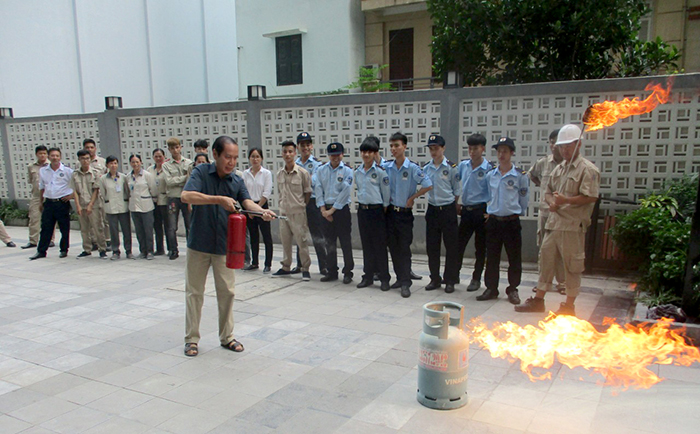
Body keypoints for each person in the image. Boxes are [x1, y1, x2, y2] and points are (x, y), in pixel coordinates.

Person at [181, 135, 275, 357]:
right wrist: (218, 199)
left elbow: (247, 202)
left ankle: (227, 337)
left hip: (224, 246)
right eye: (227, 157)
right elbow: (186, 196)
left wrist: (261, 211)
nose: (231, 162)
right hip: (199, 244)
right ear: (215, 154)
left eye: (235, 158)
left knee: (227, 292)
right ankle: (191, 339)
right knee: (195, 293)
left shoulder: (236, 180)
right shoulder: (201, 173)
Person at [516, 124, 600, 316]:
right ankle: (538, 300)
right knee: (546, 260)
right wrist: (551, 202)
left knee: (572, 265)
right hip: (553, 224)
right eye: (562, 146)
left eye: (568, 146)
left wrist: (566, 200)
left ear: (578, 145)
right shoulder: (559, 168)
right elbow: (547, 190)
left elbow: (591, 197)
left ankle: (569, 306)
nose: (564, 150)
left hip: (572, 226)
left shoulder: (588, 170)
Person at [478, 137, 529, 305]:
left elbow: (523, 199)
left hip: (511, 222)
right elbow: (487, 195)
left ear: (512, 153)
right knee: (491, 256)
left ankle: (513, 289)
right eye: (499, 151)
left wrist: (516, 213)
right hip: (494, 222)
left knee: (514, 257)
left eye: (505, 151)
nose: (501, 154)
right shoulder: (490, 175)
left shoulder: (520, 176)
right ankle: (491, 288)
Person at [383, 132, 432, 297]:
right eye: (391, 146)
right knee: (393, 248)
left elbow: (428, 184)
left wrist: (413, 198)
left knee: (404, 248)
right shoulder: (387, 168)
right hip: (390, 213)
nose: (393, 149)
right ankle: (399, 277)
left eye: (396, 145)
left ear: (404, 146)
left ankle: (406, 283)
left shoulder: (412, 168)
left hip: (404, 215)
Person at [528, 129, 566, 294]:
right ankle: (543, 282)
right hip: (545, 212)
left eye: (556, 143)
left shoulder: (569, 165)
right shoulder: (543, 163)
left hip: (563, 214)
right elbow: (532, 175)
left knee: (562, 249)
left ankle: (563, 283)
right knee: (544, 248)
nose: (553, 146)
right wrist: (542, 188)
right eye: (551, 142)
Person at [456, 134, 494, 292]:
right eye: (470, 148)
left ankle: (476, 278)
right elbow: (455, 183)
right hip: (466, 211)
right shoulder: (463, 166)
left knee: (480, 248)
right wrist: (455, 201)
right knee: (458, 245)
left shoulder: (489, 169)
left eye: (476, 148)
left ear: (483, 149)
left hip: (481, 211)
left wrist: (490, 212)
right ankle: (453, 274)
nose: (472, 152)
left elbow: (494, 191)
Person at [423, 134, 461, 293]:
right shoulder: (426, 168)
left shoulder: (452, 168)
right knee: (432, 247)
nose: (434, 152)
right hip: (432, 209)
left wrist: (452, 205)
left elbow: (457, 190)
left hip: (448, 210)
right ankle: (434, 278)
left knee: (451, 247)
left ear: (443, 148)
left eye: (436, 148)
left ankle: (450, 280)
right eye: (431, 149)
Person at [314, 142, 354, 284]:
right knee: (329, 242)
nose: (335, 157)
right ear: (328, 155)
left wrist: (332, 210)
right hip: (325, 210)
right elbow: (318, 189)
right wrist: (323, 210)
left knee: (345, 242)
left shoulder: (348, 171)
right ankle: (332, 271)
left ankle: (348, 272)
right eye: (332, 155)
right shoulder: (321, 170)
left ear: (342, 154)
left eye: (338, 155)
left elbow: (344, 193)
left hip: (341, 211)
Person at [272, 140, 313, 281]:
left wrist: (300, 205)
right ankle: (286, 266)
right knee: (285, 241)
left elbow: (307, 193)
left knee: (302, 242)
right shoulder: (279, 174)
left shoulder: (303, 173)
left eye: (290, 151)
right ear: (282, 154)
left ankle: (305, 268)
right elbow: (279, 191)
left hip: (298, 213)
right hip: (283, 213)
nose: (288, 154)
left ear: (295, 153)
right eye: (285, 152)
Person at [354, 137, 390, 290]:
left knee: (380, 246)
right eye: (364, 152)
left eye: (369, 152)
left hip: (377, 211)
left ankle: (384, 278)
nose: (366, 155)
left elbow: (386, 195)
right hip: (363, 211)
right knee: (367, 245)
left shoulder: (381, 172)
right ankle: (367, 276)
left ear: (375, 153)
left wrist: (382, 211)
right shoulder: (358, 172)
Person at [30, 148, 74, 260]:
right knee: (46, 228)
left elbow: (76, 186)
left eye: (57, 156)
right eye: (52, 155)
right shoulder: (43, 171)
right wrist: (41, 202)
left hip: (62, 202)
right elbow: (42, 188)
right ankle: (41, 251)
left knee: (64, 228)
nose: (55, 158)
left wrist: (71, 196)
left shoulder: (67, 171)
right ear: (49, 157)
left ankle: (64, 250)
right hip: (49, 202)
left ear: (60, 157)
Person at [294, 132, 328, 275]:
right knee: (299, 234)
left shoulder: (317, 164)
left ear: (312, 146)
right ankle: (300, 264)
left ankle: (324, 266)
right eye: (302, 145)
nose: (305, 147)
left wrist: (302, 181)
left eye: (308, 144)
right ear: (298, 147)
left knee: (317, 235)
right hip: (299, 202)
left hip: (313, 202)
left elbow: (313, 182)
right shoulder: (294, 164)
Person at [71, 149, 107, 259]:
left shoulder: (95, 173)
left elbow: (96, 190)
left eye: (87, 158)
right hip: (81, 204)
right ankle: (87, 249)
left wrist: (91, 205)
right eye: (83, 159)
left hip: (94, 204)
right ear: (79, 160)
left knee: (97, 227)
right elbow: (75, 191)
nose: (85, 161)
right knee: (84, 228)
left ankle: (102, 249)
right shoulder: (75, 175)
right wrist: (77, 205)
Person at [242, 148, 273, 273]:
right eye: (252, 157)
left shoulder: (266, 173)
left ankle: (268, 264)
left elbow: (267, 193)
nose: (255, 159)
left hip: (263, 206)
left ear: (262, 158)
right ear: (249, 158)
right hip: (249, 206)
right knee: (253, 236)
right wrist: (249, 209)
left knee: (266, 236)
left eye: (257, 156)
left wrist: (258, 209)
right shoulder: (245, 174)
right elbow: (243, 191)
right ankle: (254, 262)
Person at [163, 137, 193, 260]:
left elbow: (191, 179)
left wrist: (184, 179)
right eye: (172, 148)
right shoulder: (166, 165)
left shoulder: (188, 163)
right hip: (173, 197)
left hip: (186, 197)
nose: (175, 150)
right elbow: (169, 181)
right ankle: (173, 250)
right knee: (172, 226)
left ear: (180, 147)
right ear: (169, 150)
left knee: (189, 225)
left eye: (177, 147)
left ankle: (191, 250)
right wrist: (184, 178)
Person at [100, 156, 133, 260]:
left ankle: (128, 251)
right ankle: (115, 251)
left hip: (123, 206)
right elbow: (102, 193)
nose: (113, 165)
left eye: (115, 163)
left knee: (126, 230)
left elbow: (127, 191)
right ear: (107, 165)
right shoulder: (103, 179)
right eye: (111, 163)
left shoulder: (123, 177)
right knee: (113, 230)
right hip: (111, 207)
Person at [127, 154, 157, 260]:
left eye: (137, 162)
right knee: (139, 230)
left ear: (141, 162)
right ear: (130, 163)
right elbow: (127, 191)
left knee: (148, 230)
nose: (135, 164)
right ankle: (142, 250)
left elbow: (153, 189)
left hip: (146, 206)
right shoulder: (128, 176)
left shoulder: (147, 175)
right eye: (133, 162)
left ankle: (150, 251)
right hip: (134, 207)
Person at [22, 145, 50, 249]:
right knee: (34, 218)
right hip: (36, 195)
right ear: (36, 154)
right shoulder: (31, 166)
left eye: (44, 153)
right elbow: (30, 180)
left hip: (48, 195)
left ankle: (50, 240)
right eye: (40, 153)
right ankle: (33, 240)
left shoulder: (51, 165)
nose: (42, 155)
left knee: (48, 219)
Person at [83, 138, 109, 251]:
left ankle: (107, 240)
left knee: (104, 219)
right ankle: (94, 241)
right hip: (87, 195)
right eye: (87, 147)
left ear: (95, 148)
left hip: (101, 195)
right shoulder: (79, 163)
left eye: (91, 147)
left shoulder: (102, 162)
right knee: (91, 221)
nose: (89, 149)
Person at [147, 148, 169, 256]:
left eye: (160, 156)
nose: (158, 158)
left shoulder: (168, 168)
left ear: (164, 156)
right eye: (156, 156)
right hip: (154, 201)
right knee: (157, 226)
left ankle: (171, 248)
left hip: (165, 200)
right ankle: (160, 249)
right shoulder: (150, 170)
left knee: (168, 226)